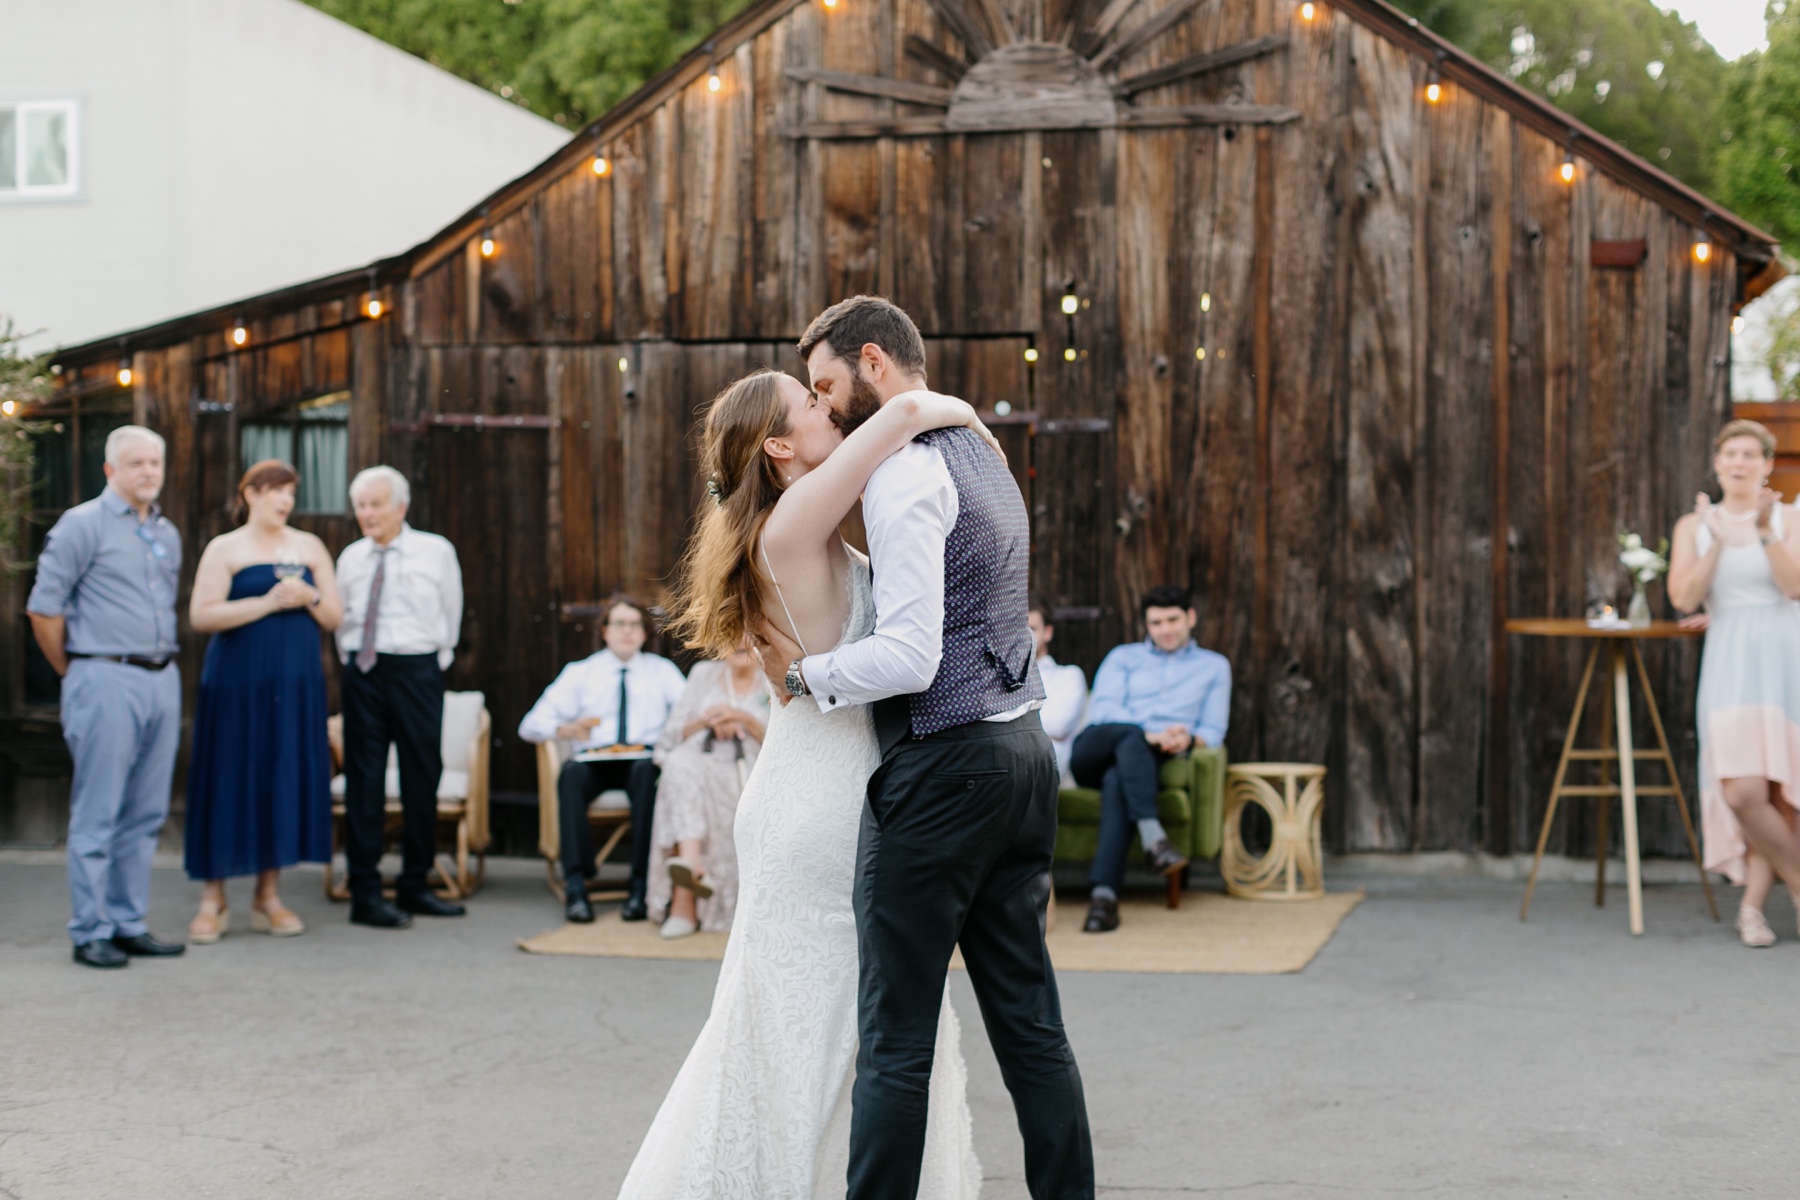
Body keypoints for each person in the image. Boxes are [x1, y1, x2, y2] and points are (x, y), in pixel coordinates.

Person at [617, 354, 1005, 1199]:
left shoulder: (802, 535)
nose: (833, 410)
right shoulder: (791, 527)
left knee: (823, 1019)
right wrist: (974, 424)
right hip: (823, 806)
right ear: (779, 449)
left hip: (819, 781)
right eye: (814, 403)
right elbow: (901, 418)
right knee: (826, 1024)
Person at [761, 295, 1095, 1200]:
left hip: (946, 770)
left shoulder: (905, 473)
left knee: (896, 1042)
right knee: (1032, 1027)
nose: (825, 411)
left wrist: (806, 679)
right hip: (1023, 754)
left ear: (874, 363)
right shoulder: (983, 459)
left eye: (828, 388)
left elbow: (912, 656)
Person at [26, 425, 187, 969]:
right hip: (103, 675)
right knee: (98, 810)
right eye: (136, 462)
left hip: (161, 677)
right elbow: (44, 608)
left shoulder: (167, 532)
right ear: (110, 469)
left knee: (145, 811)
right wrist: (73, 672)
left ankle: (127, 921)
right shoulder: (82, 525)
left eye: (155, 463)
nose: (148, 471)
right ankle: (90, 928)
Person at [183, 461, 343, 942]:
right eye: (275, 491)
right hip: (235, 684)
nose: (285, 501)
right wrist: (268, 602)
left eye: (291, 492)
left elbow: (334, 617)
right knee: (229, 774)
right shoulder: (225, 548)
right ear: (250, 494)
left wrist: (309, 596)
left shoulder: (309, 546)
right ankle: (213, 897)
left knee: (279, 774)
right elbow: (202, 615)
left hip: (294, 685)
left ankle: (267, 895)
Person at [1667, 418, 1800, 948]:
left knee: (1778, 794)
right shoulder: (1693, 526)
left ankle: (1751, 911)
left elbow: (1794, 587)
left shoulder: (1790, 517)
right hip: (1728, 661)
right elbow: (1683, 597)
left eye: (1751, 454)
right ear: (1718, 463)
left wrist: (1766, 530)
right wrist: (1718, 543)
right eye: (1731, 454)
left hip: (1785, 657)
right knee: (1742, 790)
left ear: (1768, 464)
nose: (1740, 463)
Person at [334, 465, 465, 929]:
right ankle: (365, 892)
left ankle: (415, 882)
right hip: (363, 673)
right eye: (361, 506)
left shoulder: (435, 551)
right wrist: (358, 663)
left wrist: (428, 663)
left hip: (417, 670)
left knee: (420, 776)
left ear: (400, 507)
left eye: (374, 505)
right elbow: (341, 620)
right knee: (364, 782)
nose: (366, 514)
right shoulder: (350, 557)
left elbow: (451, 615)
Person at [1071, 584, 1230, 935]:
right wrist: (1147, 733)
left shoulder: (1214, 667)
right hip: (1095, 750)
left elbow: (1214, 729)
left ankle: (1104, 898)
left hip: (1147, 760)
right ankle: (1154, 841)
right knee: (1129, 737)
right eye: (1156, 623)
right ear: (1146, 624)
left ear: (1190, 617)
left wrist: (1187, 739)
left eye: (1172, 620)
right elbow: (1105, 711)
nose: (1165, 630)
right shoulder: (1123, 657)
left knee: (1119, 779)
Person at [518, 596, 687, 924]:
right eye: (619, 624)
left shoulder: (662, 672)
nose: (627, 631)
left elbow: (686, 718)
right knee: (570, 776)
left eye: (634, 624)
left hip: (642, 758)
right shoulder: (581, 673)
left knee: (646, 774)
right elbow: (529, 725)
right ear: (605, 631)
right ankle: (577, 887)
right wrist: (565, 728)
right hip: (595, 759)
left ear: (644, 633)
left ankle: (640, 888)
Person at [645, 642, 770, 938]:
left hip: (750, 764)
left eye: (747, 634)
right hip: (700, 757)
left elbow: (787, 743)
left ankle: (686, 896)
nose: (740, 642)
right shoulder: (703, 673)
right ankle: (690, 865)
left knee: (698, 780)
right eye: (732, 634)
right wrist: (709, 719)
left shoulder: (772, 676)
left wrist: (743, 718)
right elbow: (671, 738)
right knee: (677, 766)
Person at [1028, 597, 1089, 785]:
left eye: (1032, 629)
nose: (1023, 636)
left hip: (1047, 765)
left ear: (1048, 632)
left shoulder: (1068, 676)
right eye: (1016, 628)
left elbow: (1057, 725)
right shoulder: (994, 677)